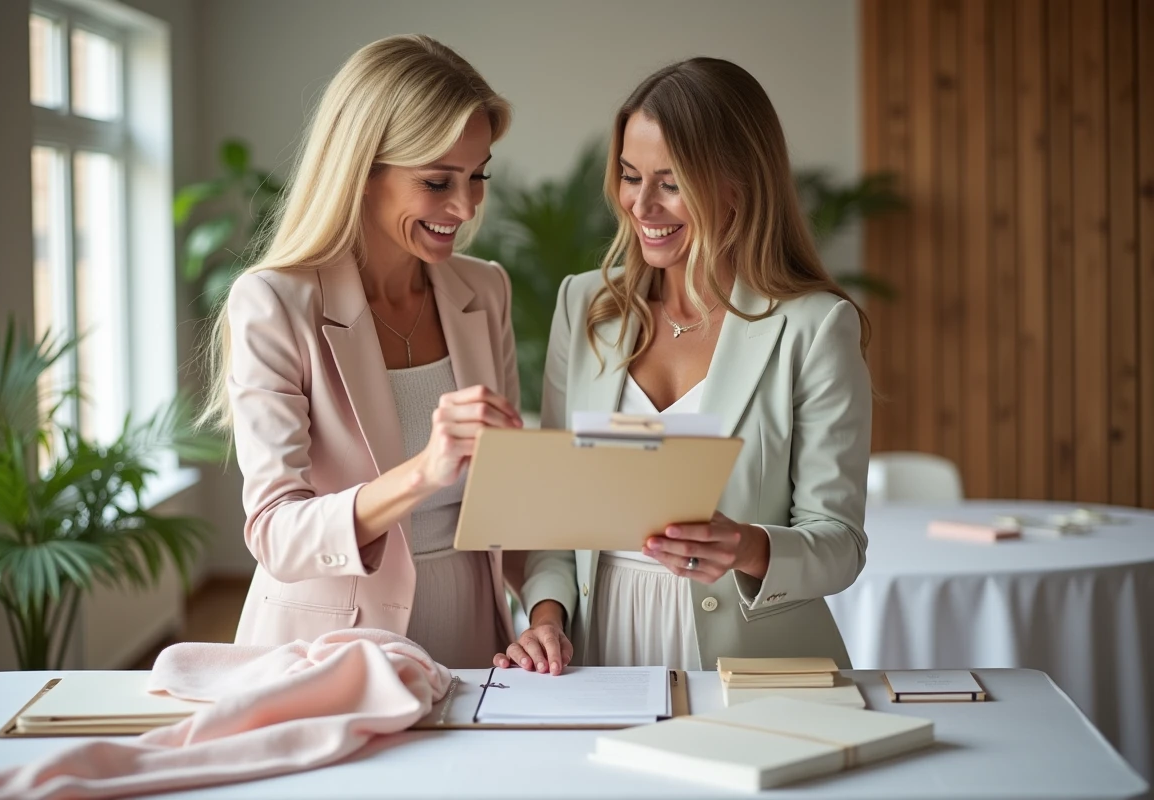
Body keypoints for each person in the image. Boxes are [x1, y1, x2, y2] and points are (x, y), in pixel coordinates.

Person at [498, 57, 872, 674]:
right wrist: (544, 621)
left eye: (670, 182)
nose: (641, 205)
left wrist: (749, 545)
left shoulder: (815, 325)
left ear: (738, 185)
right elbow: (556, 524)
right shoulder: (585, 304)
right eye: (628, 175)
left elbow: (840, 544)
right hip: (600, 651)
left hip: (754, 663)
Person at [200, 35, 523, 668]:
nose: (465, 206)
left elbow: (508, 498)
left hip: (474, 633)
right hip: (327, 650)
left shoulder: (484, 290)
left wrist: (542, 613)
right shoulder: (275, 301)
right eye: (437, 181)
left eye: (478, 175)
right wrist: (424, 471)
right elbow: (276, 533)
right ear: (362, 171)